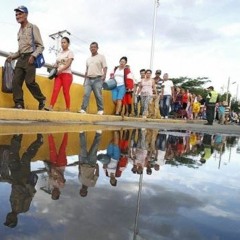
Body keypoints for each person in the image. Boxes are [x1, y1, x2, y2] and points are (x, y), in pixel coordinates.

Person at [6, 6, 46, 110]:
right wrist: (12, 56)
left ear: (26, 15)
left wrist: (33, 55)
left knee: (29, 82)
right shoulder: (19, 32)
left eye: (20, 14)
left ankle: (42, 99)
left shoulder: (33, 27)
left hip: (30, 58)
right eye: (16, 15)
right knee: (15, 82)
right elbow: (20, 50)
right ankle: (19, 104)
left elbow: (40, 46)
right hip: (21, 58)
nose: (17, 16)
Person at [4, 134, 43, 228]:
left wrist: (11, 181)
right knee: (26, 157)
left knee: (12, 156)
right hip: (23, 178)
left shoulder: (12, 205)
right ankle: (39, 141)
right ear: (14, 219)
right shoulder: (24, 209)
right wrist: (26, 184)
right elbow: (31, 193)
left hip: (14, 177)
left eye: (7, 219)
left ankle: (17, 136)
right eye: (9, 220)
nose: (7, 218)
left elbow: (14, 191)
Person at [44, 37, 74, 111]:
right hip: (58, 74)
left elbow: (68, 64)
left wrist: (61, 69)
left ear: (68, 44)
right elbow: (57, 63)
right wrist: (55, 65)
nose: (63, 44)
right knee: (55, 89)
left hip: (67, 75)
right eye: (62, 42)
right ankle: (51, 106)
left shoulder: (70, 52)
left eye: (64, 42)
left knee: (65, 91)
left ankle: (67, 108)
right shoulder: (59, 53)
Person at [78, 42, 107, 115]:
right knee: (86, 94)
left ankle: (100, 110)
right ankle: (83, 109)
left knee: (98, 95)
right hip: (88, 79)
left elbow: (105, 67)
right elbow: (86, 70)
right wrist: (84, 81)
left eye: (94, 47)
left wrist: (104, 75)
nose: (92, 48)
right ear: (89, 49)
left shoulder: (101, 57)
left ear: (97, 48)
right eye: (91, 47)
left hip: (97, 79)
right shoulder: (88, 59)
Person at [78, 131, 102, 197]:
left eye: (81, 192)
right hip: (91, 163)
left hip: (83, 162)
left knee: (82, 147)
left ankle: (81, 132)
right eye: (84, 192)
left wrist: (79, 159)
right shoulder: (92, 184)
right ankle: (98, 133)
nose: (82, 191)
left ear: (80, 190)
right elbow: (96, 175)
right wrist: (97, 166)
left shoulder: (79, 180)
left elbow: (79, 170)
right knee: (95, 146)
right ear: (86, 191)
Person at [47, 133, 68, 200]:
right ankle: (66, 133)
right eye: (54, 195)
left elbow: (50, 174)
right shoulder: (61, 185)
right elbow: (61, 175)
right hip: (61, 165)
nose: (53, 193)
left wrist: (50, 168)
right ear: (58, 193)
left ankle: (49, 134)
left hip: (53, 165)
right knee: (62, 148)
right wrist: (54, 170)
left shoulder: (51, 183)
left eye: (52, 194)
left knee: (52, 149)